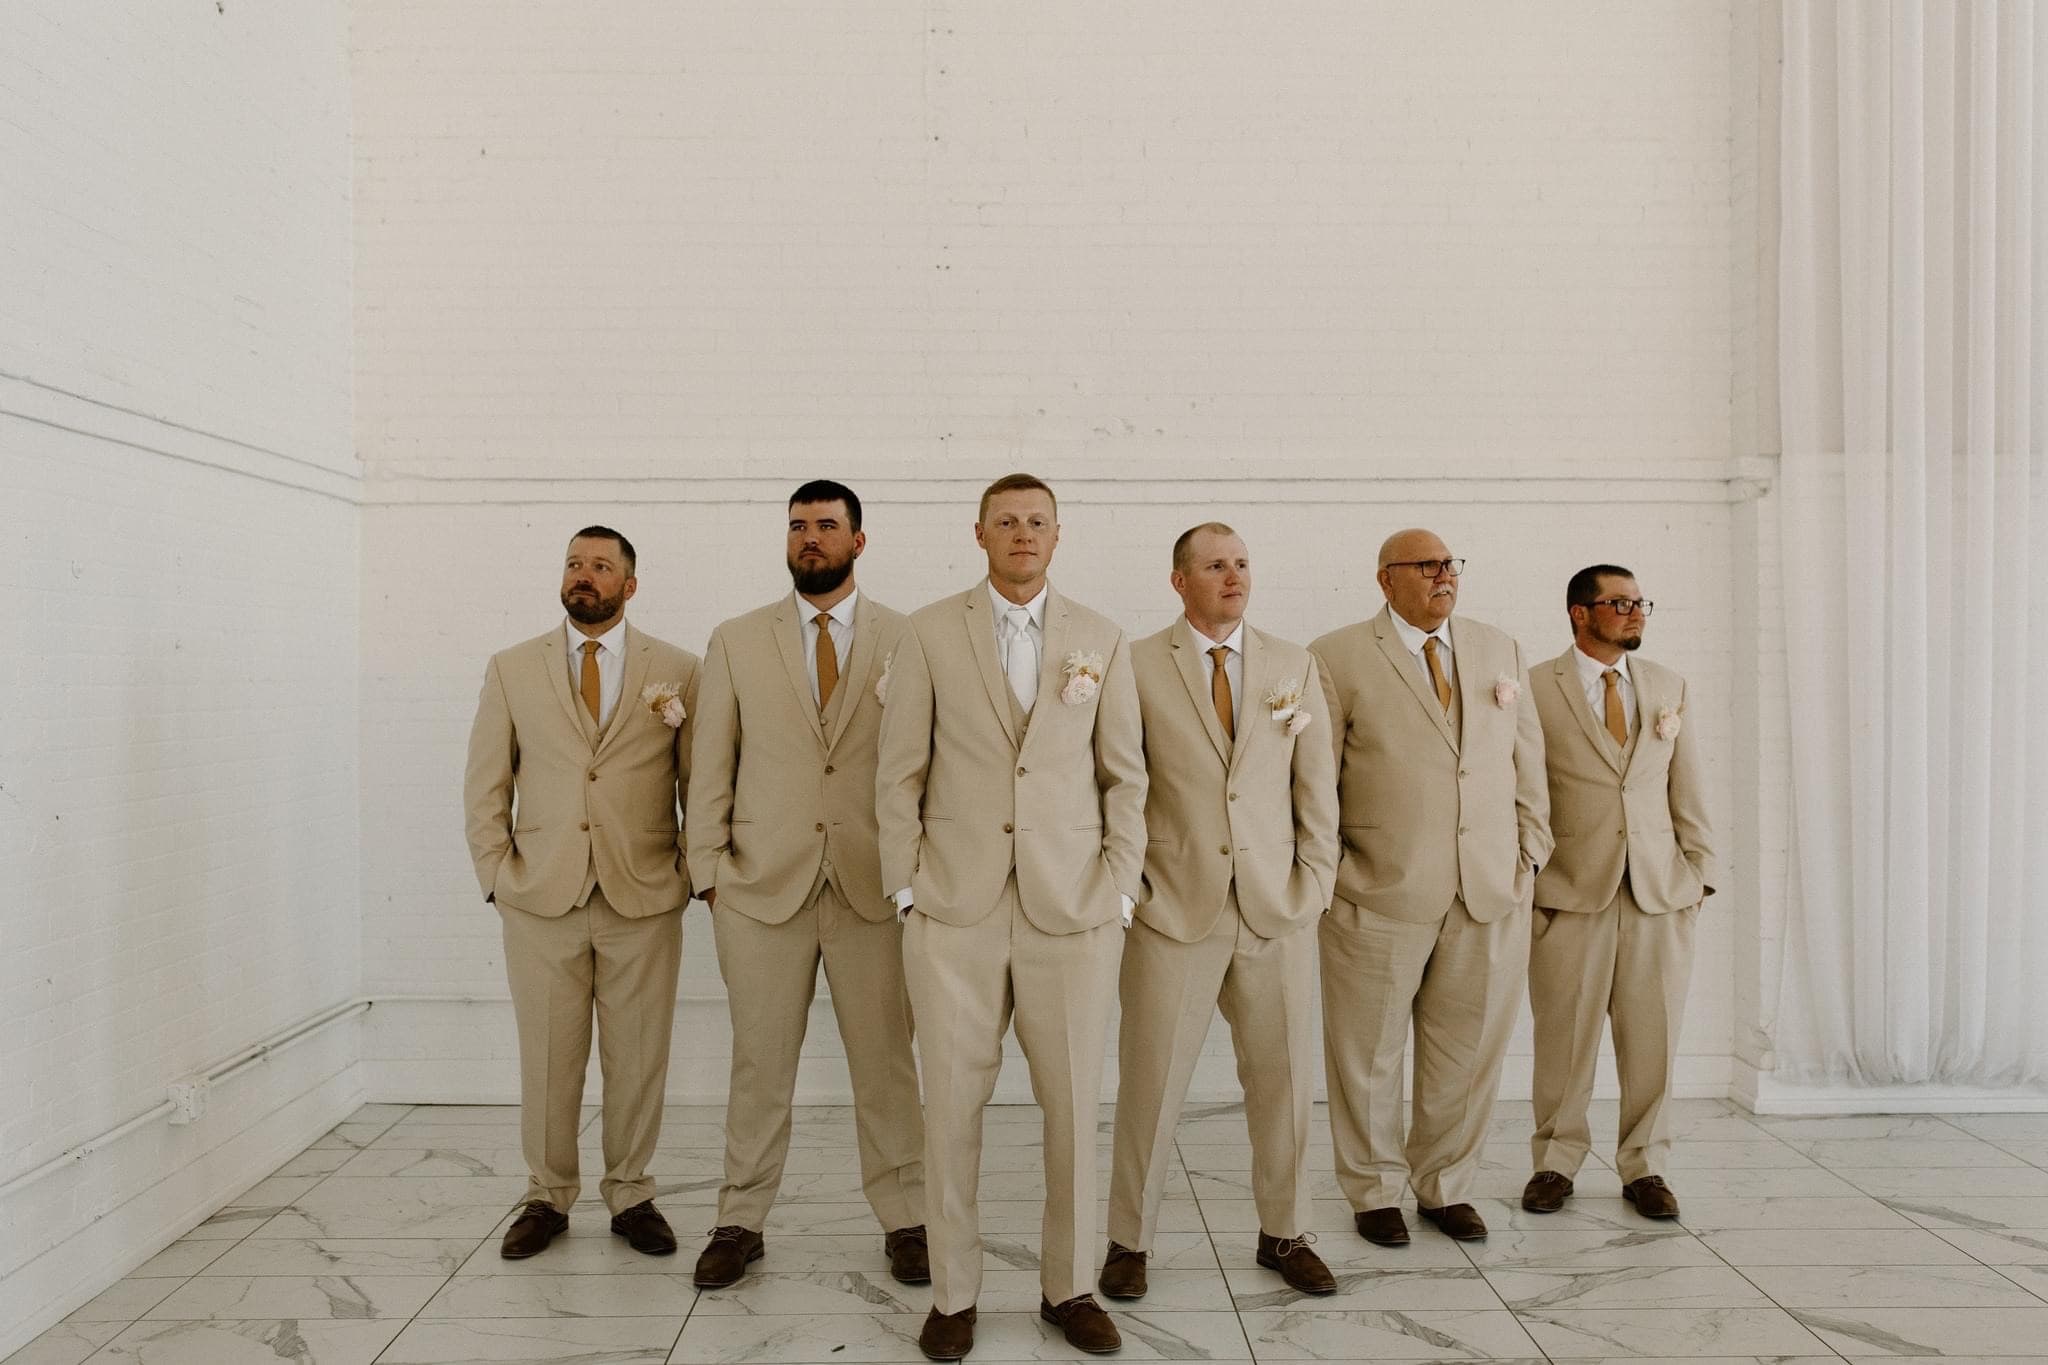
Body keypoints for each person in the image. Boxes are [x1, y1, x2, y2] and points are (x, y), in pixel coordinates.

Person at [876, 473, 1145, 1360]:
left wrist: (1118, 888)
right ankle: (953, 1293)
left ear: (1058, 537)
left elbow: (1125, 778)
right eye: (1006, 521)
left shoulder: (1100, 637)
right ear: (980, 533)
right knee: (950, 1104)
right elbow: (899, 773)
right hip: (953, 907)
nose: (1022, 533)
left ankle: (1067, 1287)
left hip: (1072, 909)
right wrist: (909, 887)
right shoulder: (926, 631)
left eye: (1037, 522)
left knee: (1072, 1106)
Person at [685, 480, 927, 1287]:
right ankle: (739, 1218)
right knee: (758, 1061)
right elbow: (708, 763)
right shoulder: (736, 639)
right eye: (798, 527)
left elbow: (931, 763)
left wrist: (914, 876)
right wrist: (709, 873)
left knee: (887, 1061)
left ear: (859, 540)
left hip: (874, 889)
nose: (810, 539)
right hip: (759, 890)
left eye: (827, 526)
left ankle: (907, 1218)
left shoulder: (910, 637)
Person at [1101, 523, 1339, 1301]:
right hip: (1174, 909)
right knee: (1151, 1083)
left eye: (1241, 562)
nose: (1233, 576)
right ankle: (1129, 1239)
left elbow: (1317, 788)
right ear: (1179, 580)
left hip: (1276, 908)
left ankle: (1286, 1230)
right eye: (1214, 565)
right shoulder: (1134, 664)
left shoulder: (1292, 664)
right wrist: (1131, 890)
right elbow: (1119, 784)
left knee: (1283, 1082)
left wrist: (1315, 883)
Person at [463, 526, 699, 1259]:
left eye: (601, 566)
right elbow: (485, 783)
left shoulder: (680, 670)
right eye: (574, 563)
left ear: (630, 585)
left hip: (644, 894)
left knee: (637, 1054)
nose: (583, 576)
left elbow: (702, 782)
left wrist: (690, 873)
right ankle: (546, 1195)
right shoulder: (512, 668)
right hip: (540, 896)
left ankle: (631, 1192)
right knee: (548, 1054)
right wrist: (499, 876)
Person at [1310, 528, 1550, 1246]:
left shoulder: (1499, 648)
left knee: (1468, 1050)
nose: (1444, 575)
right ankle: (1374, 1189)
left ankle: (1446, 1185)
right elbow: (1316, 778)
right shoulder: (1337, 655)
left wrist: (1529, 853)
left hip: (1489, 891)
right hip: (1377, 891)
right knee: (1368, 1052)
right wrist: (1337, 871)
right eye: (1426, 565)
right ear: (1386, 579)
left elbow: (1526, 760)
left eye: (1450, 564)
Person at [1522, 565, 1717, 1221]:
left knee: (1653, 1038)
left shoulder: (1667, 686)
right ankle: (1554, 1161)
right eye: (1620, 602)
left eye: (1640, 602)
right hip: (1569, 892)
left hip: (1659, 892)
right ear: (1580, 612)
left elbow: (1686, 786)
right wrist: (1530, 876)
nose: (1636, 612)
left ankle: (1646, 1164)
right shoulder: (1533, 689)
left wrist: (1698, 873)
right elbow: (1523, 791)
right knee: (1563, 1038)